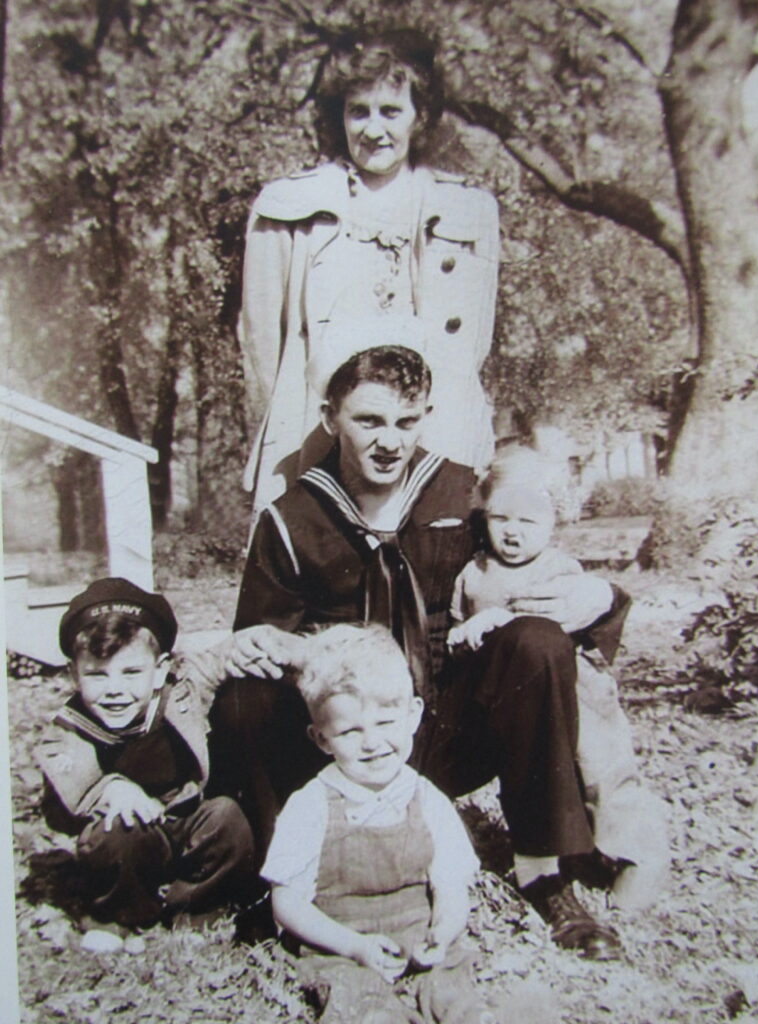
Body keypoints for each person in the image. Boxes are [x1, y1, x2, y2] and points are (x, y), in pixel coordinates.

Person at [211, 344, 633, 961]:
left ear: (426, 418)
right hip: (344, 743)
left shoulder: (463, 493)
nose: (390, 441)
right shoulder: (291, 519)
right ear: (330, 418)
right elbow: (258, 644)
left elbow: (538, 557)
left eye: (406, 422)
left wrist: (599, 595)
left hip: (448, 727)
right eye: (369, 421)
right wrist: (295, 651)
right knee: (246, 695)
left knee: (537, 641)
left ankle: (545, 871)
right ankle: (283, 878)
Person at [239, 27, 499, 510]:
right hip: (319, 434)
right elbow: (262, 347)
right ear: (338, 116)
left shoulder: (469, 210)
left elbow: (472, 346)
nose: (373, 129)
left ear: (420, 116)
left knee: (428, 548)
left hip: (429, 432)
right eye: (358, 111)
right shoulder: (288, 207)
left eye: (390, 111)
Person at [261, 623, 555, 1024]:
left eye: (385, 723)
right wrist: (354, 947)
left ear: (413, 715)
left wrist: (443, 931)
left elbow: (450, 886)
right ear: (321, 739)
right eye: (349, 731)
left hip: (419, 940)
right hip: (340, 945)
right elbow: (287, 904)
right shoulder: (310, 805)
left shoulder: (426, 798)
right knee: (357, 998)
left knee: (451, 989)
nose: (371, 742)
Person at [447, 448, 669, 913]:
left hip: (577, 685)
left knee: (601, 764)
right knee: (553, 768)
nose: (512, 531)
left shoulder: (558, 569)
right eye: (501, 517)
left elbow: (550, 619)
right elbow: (457, 624)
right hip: (512, 689)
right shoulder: (474, 571)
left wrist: (495, 619)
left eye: (528, 520)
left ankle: (637, 854)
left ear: (554, 521)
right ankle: (576, 850)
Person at [37, 577, 290, 952]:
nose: (115, 690)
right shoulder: (69, 730)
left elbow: (216, 660)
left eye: (131, 672)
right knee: (117, 833)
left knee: (226, 817)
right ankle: (118, 914)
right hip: (129, 832)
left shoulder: (178, 691)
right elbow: (65, 791)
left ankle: (194, 904)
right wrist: (109, 789)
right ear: (74, 674)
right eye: (96, 675)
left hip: (182, 815)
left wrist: (251, 642)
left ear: (159, 669)